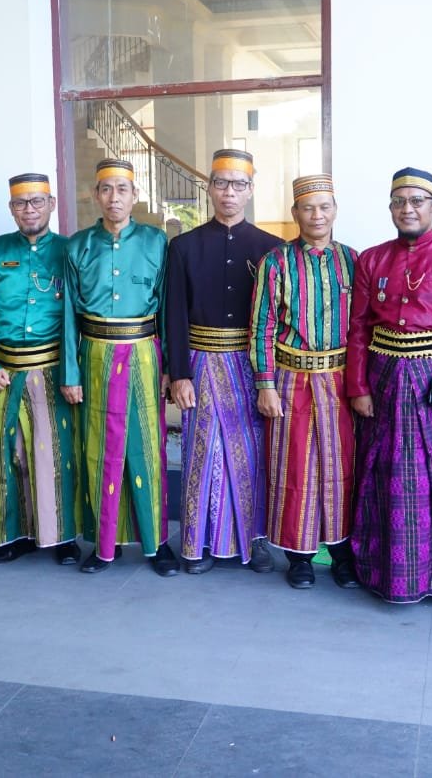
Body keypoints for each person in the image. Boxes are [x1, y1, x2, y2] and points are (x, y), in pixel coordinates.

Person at [347, 167, 432, 605]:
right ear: (390, 208)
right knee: (386, 477)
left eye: (417, 201)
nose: (407, 209)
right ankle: (387, 576)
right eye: (399, 201)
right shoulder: (372, 259)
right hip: (384, 379)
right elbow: (358, 328)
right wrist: (358, 386)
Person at [165, 149, 282, 574]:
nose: (229, 192)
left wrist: (270, 379)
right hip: (199, 363)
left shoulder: (271, 249)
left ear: (250, 190)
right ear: (210, 189)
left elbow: (277, 320)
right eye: (220, 183)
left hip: (250, 367)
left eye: (238, 184)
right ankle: (199, 543)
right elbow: (174, 315)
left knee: (251, 452)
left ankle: (255, 541)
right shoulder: (183, 246)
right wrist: (179, 374)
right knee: (203, 453)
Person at [62, 158, 177, 576]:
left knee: (147, 447)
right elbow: (68, 316)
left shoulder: (156, 242)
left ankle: (157, 544)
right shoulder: (77, 246)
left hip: (144, 354)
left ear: (135, 196)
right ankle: (103, 544)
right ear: (96, 195)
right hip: (94, 356)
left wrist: (169, 368)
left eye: (122, 189)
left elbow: (166, 309)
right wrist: (70, 373)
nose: (114, 197)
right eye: (106, 189)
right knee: (99, 450)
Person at [249, 174, 359, 590]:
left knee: (341, 465)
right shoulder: (275, 262)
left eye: (324, 207)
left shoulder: (353, 261)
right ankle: (299, 557)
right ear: (295, 213)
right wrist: (265, 384)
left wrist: (363, 384)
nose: (317, 215)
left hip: (340, 380)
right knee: (295, 466)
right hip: (290, 379)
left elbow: (363, 327)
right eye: (308, 208)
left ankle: (343, 553)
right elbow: (261, 326)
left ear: (336, 210)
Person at [0, 173, 80, 566]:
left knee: (55, 456)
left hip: (51, 371)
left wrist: (73, 373)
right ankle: (11, 535)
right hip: (4, 373)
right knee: (7, 455)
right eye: (20, 203)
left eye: (36, 201)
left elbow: (78, 316)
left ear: (51, 204)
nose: (29, 210)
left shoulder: (68, 250)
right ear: (11, 209)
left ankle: (62, 537)